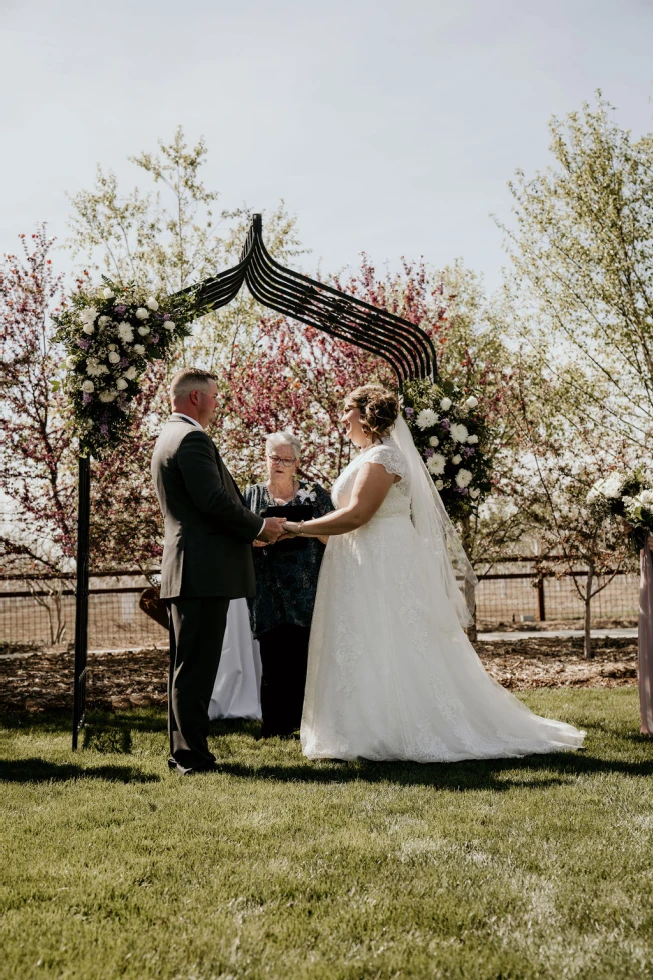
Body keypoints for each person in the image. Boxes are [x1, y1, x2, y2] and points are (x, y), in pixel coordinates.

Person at [283, 384, 585, 762]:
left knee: (394, 639)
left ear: (366, 414)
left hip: (384, 561)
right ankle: (362, 725)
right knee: (366, 638)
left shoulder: (383, 458)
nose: (342, 419)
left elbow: (359, 514)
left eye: (347, 410)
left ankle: (400, 727)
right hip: (361, 559)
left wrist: (296, 528)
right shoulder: (368, 456)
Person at [151, 368, 286, 775]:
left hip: (190, 568)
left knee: (187, 666)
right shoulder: (191, 439)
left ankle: (184, 753)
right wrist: (261, 527)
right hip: (201, 571)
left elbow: (201, 508)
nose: (216, 403)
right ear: (195, 398)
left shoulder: (168, 436)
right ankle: (192, 757)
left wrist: (247, 535)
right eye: (213, 396)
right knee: (196, 668)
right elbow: (212, 501)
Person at [244, 432, 333, 737]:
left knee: (304, 658)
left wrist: (299, 529)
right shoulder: (250, 496)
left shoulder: (314, 494)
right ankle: (274, 725)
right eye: (274, 458)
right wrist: (253, 540)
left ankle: (305, 724)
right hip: (267, 589)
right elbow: (237, 537)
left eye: (286, 459)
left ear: (297, 463)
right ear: (264, 458)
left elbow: (333, 535)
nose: (280, 464)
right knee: (271, 658)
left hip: (306, 589)